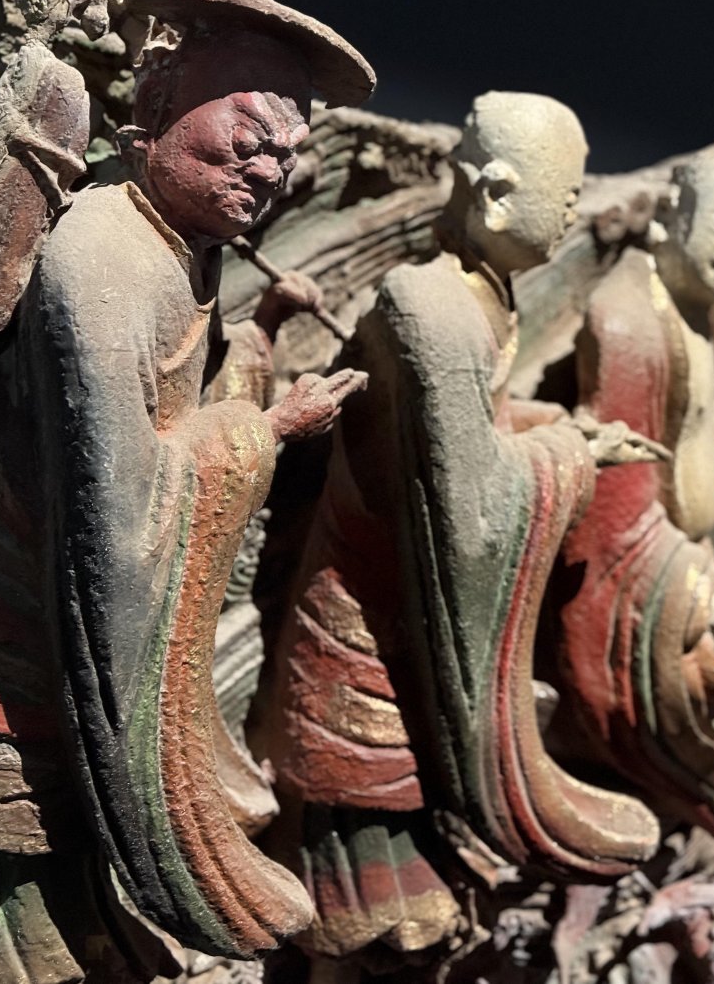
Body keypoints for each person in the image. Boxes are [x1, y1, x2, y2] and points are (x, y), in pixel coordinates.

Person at [0, 0, 374, 971]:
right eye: (248, 141)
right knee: (17, 905)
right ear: (158, 105)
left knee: (72, 894)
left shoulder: (176, 244)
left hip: (65, 605)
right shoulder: (102, 259)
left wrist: (260, 331)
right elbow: (121, 495)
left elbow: (180, 403)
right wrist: (271, 431)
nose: (267, 173)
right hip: (35, 620)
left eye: (286, 155)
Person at [264, 93, 663, 959]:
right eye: (565, 197)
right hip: (369, 620)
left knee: (422, 880)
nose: (573, 214)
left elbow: (474, 428)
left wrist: (564, 432)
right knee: (369, 900)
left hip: (408, 608)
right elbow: (472, 508)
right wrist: (568, 452)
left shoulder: (482, 294)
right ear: (497, 195)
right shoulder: (432, 309)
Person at [556, 136, 714, 872]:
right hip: (631, 578)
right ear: (671, 214)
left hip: (683, 553)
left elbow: (692, 412)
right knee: (711, 676)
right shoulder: (629, 325)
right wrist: (704, 601)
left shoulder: (702, 307)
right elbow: (617, 507)